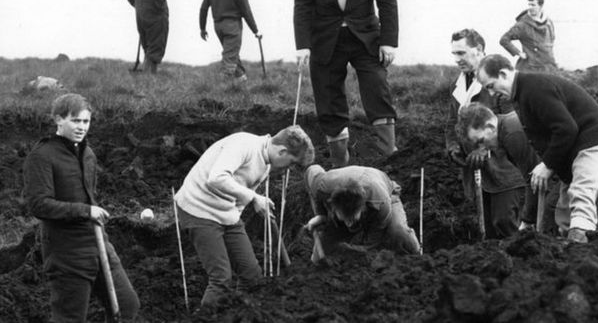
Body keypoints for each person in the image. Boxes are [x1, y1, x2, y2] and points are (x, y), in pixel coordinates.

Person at [476, 54, 598, 243]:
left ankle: (580, 252)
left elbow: (566, 128)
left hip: (592, 145)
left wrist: (547, 165)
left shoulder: (534, 88)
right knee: (564, 214)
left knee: (581, 199)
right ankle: (576, 258)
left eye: (491, 86)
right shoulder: (521, 95)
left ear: (503, 74)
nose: (492, 94)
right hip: (576, 153)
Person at [23, 94, 140, 322]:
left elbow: (90, 196)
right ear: (58, 119)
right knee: (70, 318)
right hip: (66, 253)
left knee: (127, 306)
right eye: (75, 121)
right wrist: (85, 211)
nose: (82, 127)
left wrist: (91, 214)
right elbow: (39, 204)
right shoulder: (42, 156)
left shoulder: (88, 154)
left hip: (99, 245)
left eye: (86, 122)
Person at [174, 126, 314, 307]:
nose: (289, 169)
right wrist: (254, 198)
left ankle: (239, 315)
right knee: (221, 279)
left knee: (251, 275)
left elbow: (239, 192)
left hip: (226, 213)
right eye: (291, 163)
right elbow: (216, 178)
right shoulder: (243, 145)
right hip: (198, 209)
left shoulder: (266, 162)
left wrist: (248, 206)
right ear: (282, 151)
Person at [294, 0, 399, 167]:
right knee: (328, 96)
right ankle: (340, 164)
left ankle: (389, 158)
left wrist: (388, 42)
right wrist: (303, 45)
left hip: (366, 37)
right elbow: (302, 3)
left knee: (377, 86)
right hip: (325, 38)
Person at [446, 29, 523, 238]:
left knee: (505, 222)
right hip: (474, 169)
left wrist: (484, 148)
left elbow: (511, 122)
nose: (456, 59)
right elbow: (453, 122)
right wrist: (453, 146)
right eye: (454, 54)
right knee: (488, 229)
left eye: (461, 53)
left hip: (504, 168)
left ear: (478, 49)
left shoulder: (495, 78)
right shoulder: (458, 84)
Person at [303, 164, 420, 263]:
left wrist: (352, 250)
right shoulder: (322, 186)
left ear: (362, 208)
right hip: (347, 197)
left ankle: (418, 256)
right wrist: (321, 215)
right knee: (324, 249)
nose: (349, 224)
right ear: (334, 206)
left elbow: (374, 242)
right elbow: (311, 170)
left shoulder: (380, 203)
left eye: (352, 219)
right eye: (345, 219)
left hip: (387, 193)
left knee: (398, 233)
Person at [456, 102, 543, 232]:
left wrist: (527, 221)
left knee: (551, 221)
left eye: (481, 141)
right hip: (555, 171)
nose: (483, 148)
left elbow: (535, 179)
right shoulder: (504, 136)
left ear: (490, 127)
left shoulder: (512, 134)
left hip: (567, 168)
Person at [199, 0, 261, 83]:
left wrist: (202, 29)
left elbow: (203, 8)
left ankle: (241, 79)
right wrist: (255, 30)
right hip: (232, 26)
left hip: (218, 26)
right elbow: (245, 10)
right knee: (229, 60)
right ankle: (221, 91)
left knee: (232, 54)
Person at [500, 0, 557, 72]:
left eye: (533, 5)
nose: (530, 8)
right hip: (531, 68)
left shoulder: (549, 23)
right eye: (529, 5)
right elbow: (504, 39)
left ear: (541, 6)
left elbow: (552, 40)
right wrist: (519, 53)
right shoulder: (522, 24)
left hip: (548, 66)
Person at [125, 0, 169, 74]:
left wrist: (139, 6)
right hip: (155, 13)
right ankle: (149, 79)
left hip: (140, 13)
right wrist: (160, 9)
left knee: (148, 46)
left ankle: (146, 77)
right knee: (155, 46)